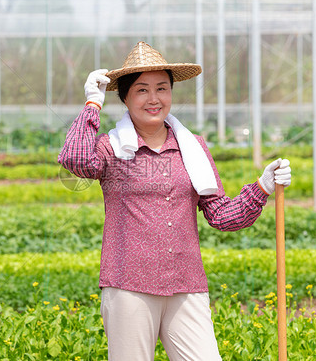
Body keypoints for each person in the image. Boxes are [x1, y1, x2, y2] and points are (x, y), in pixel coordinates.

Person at [58, 42, 291, 361]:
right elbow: (75, 160)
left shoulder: (193, 147)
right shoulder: (111, 148)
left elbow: (221, 215)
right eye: (142, 90)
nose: (153, 99)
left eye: (161, 88)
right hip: (129, 284)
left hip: (186, 283)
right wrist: (91, 105)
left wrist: (261, 187)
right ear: (125, 97)